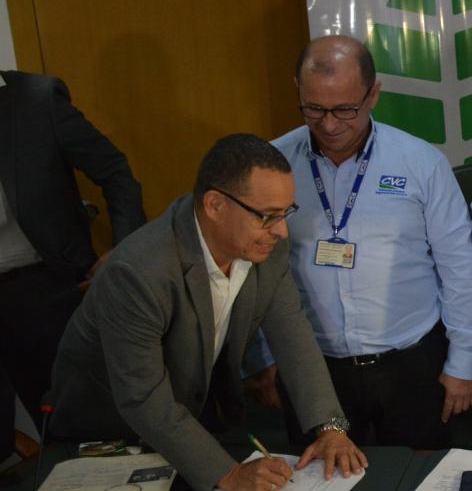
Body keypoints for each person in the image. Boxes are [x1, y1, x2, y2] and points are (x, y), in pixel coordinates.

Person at [48, 134, 366, 491]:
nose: (281, 230)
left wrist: (330, 428)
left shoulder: (266, 245)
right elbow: (143, 397)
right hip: (111, 433)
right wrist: (227, 474)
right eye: (268, 216)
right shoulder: (139, 272)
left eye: (286, 212)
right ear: (215, 205)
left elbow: (293, 335)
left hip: (190, 419)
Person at [245, 35, 472, 449]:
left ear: (373, 94)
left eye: (345, 109)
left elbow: (458, 266)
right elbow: (252, 269)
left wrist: (464, 362)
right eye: (314, 109)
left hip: (411, 363)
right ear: (298, 91)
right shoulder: (272, 165)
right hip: (312, 368)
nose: (329, 124)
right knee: (322, 475)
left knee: (416, 473)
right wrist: (262, 358)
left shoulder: (420, 163)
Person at [0, 70, 145, 425]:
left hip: (47, 293)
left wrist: (123, 253)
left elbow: (115, 173)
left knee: (80, 425)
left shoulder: (36, 101)